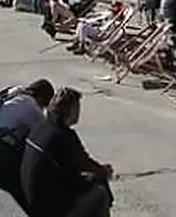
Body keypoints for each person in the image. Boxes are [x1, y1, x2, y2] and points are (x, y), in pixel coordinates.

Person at [20, 87, 114, 217]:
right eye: (78, 108)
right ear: (71, 110)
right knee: (100, 194)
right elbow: (81, 167)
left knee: (94, 180)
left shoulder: (41, 126)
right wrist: (102, 172)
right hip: (49, 209)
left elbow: (74, 168)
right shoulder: (63, 136)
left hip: (32, 202)